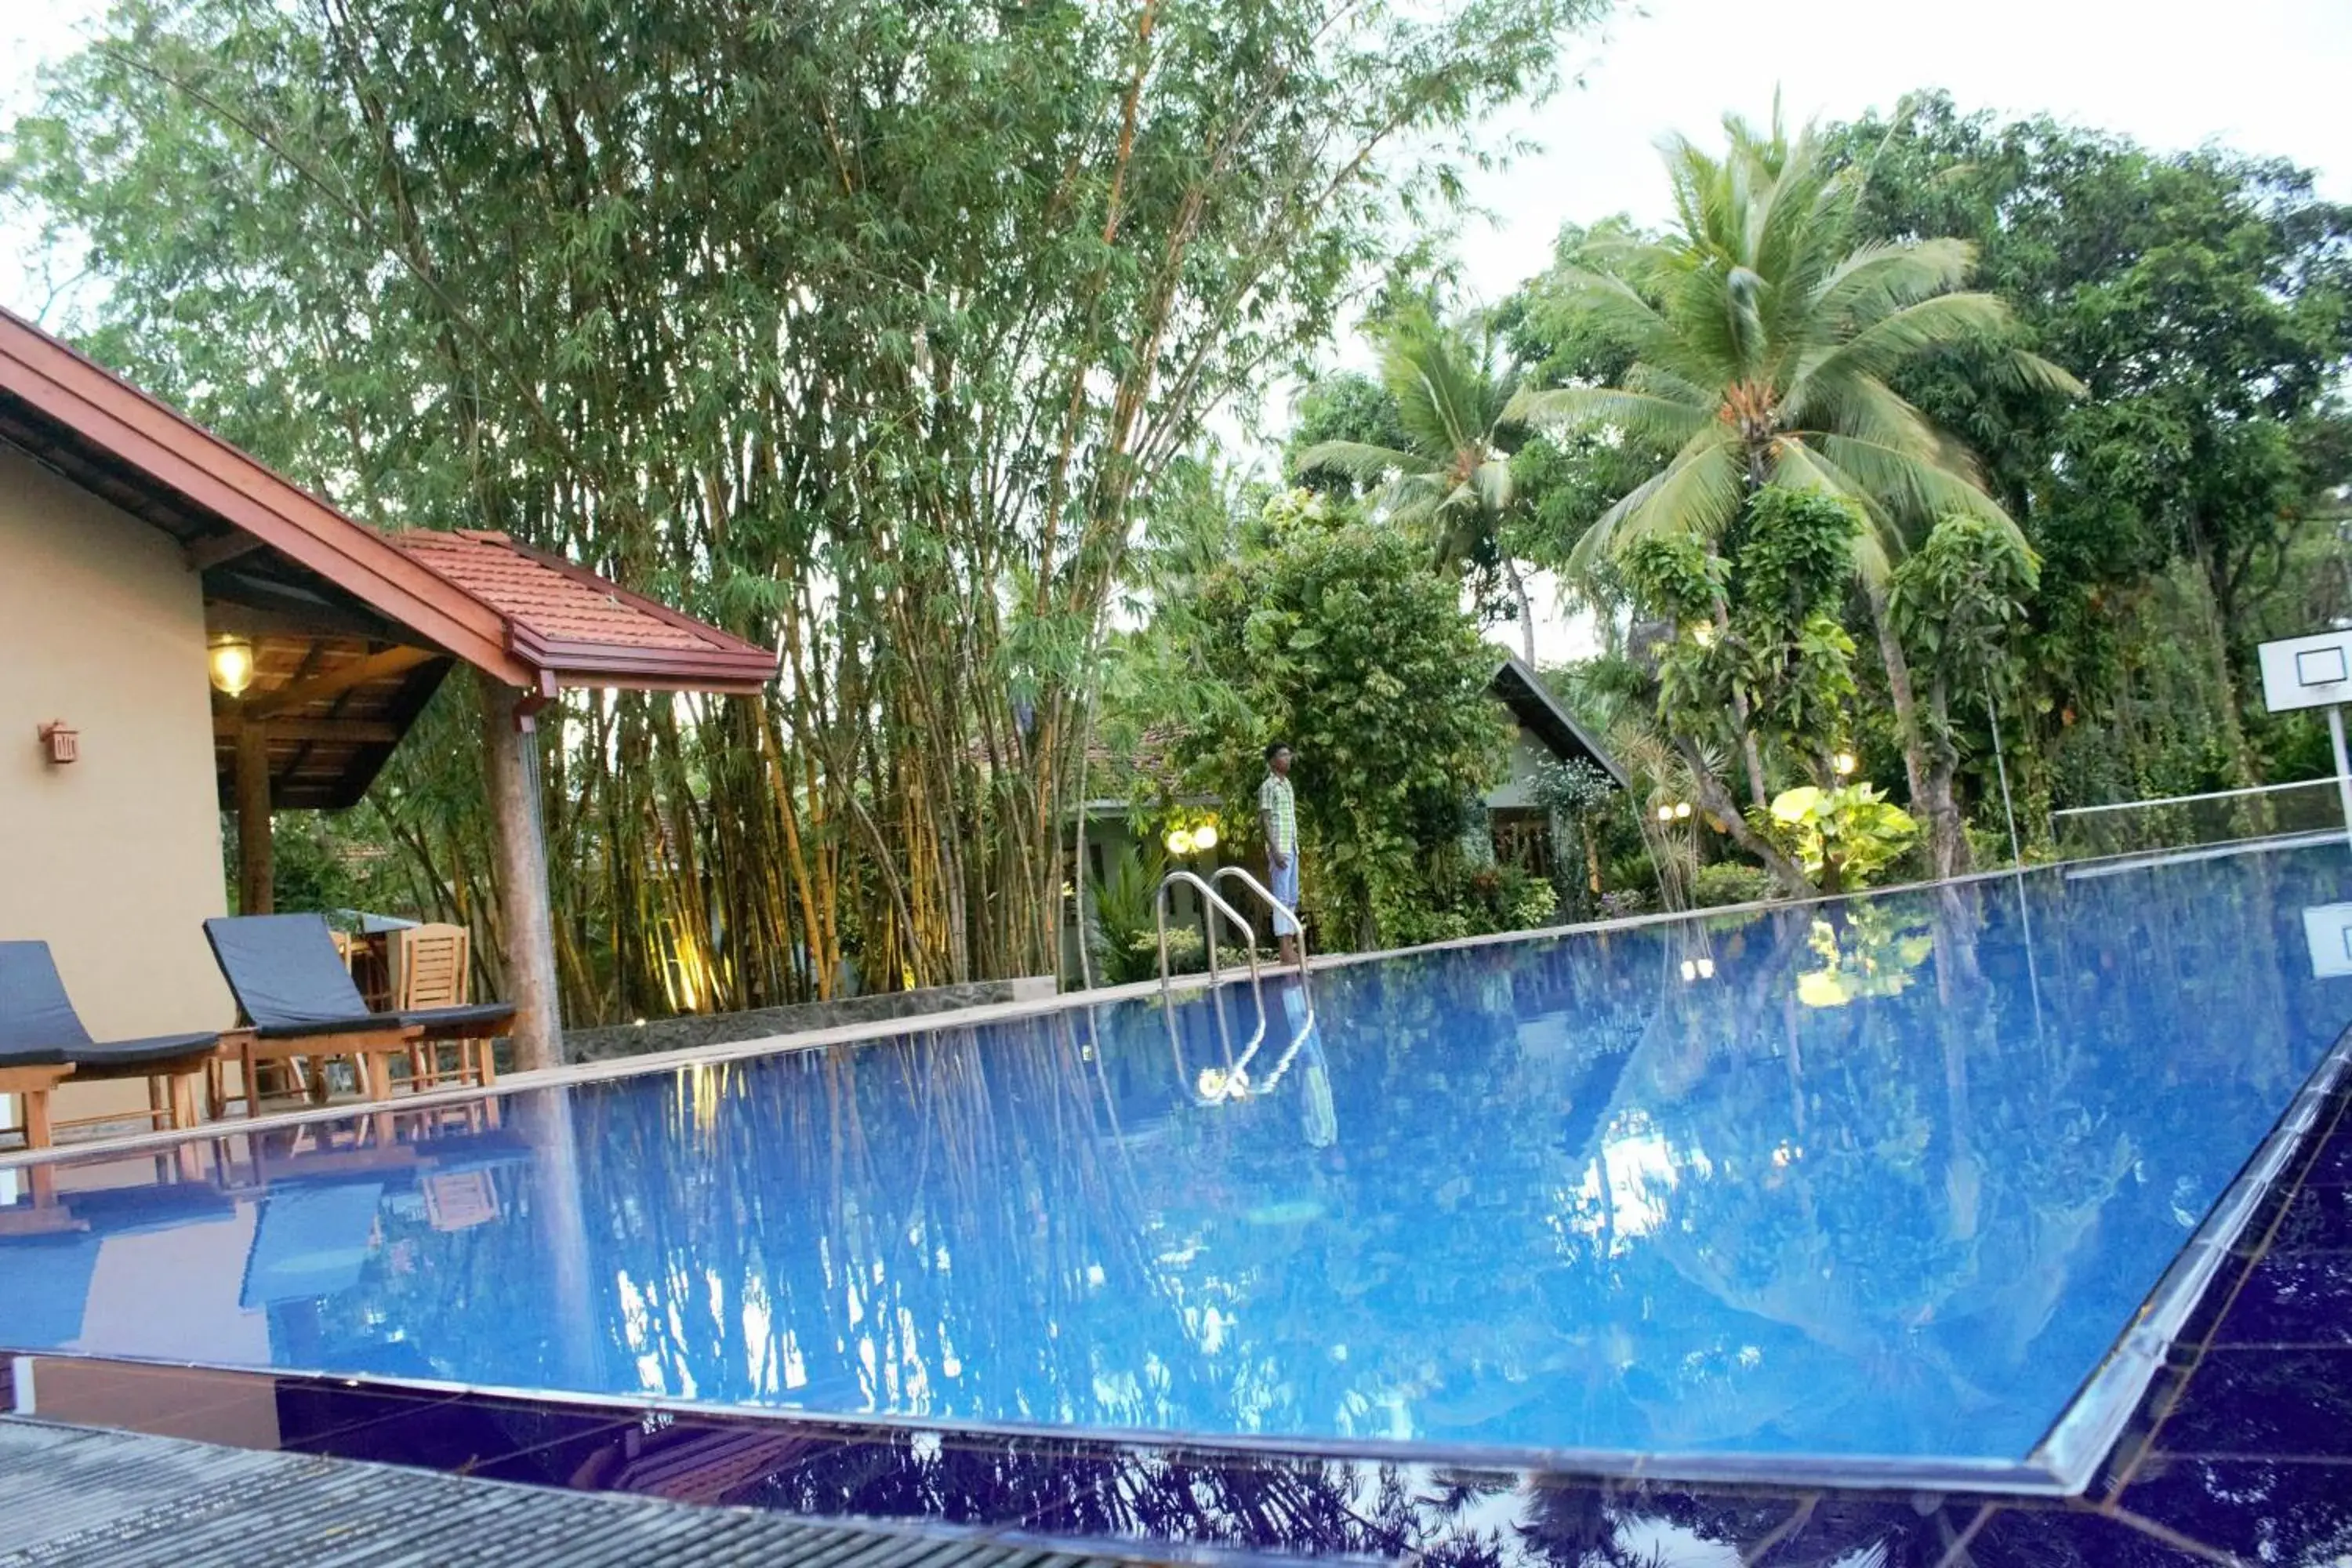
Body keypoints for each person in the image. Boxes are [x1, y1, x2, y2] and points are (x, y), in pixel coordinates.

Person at [1258, 742, 1302, 966]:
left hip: (1292, 846)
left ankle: (1291, 945)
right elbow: (1264, 820)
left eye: (1289, 754)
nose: (1288, 758)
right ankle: (1284, 951)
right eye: (1283, 755)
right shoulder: (1268, 787)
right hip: (1280, 849)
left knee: (1292, 896)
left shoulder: (1288, 785)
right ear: (1273, 761)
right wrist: (1274, 849)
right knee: (1281, 899)